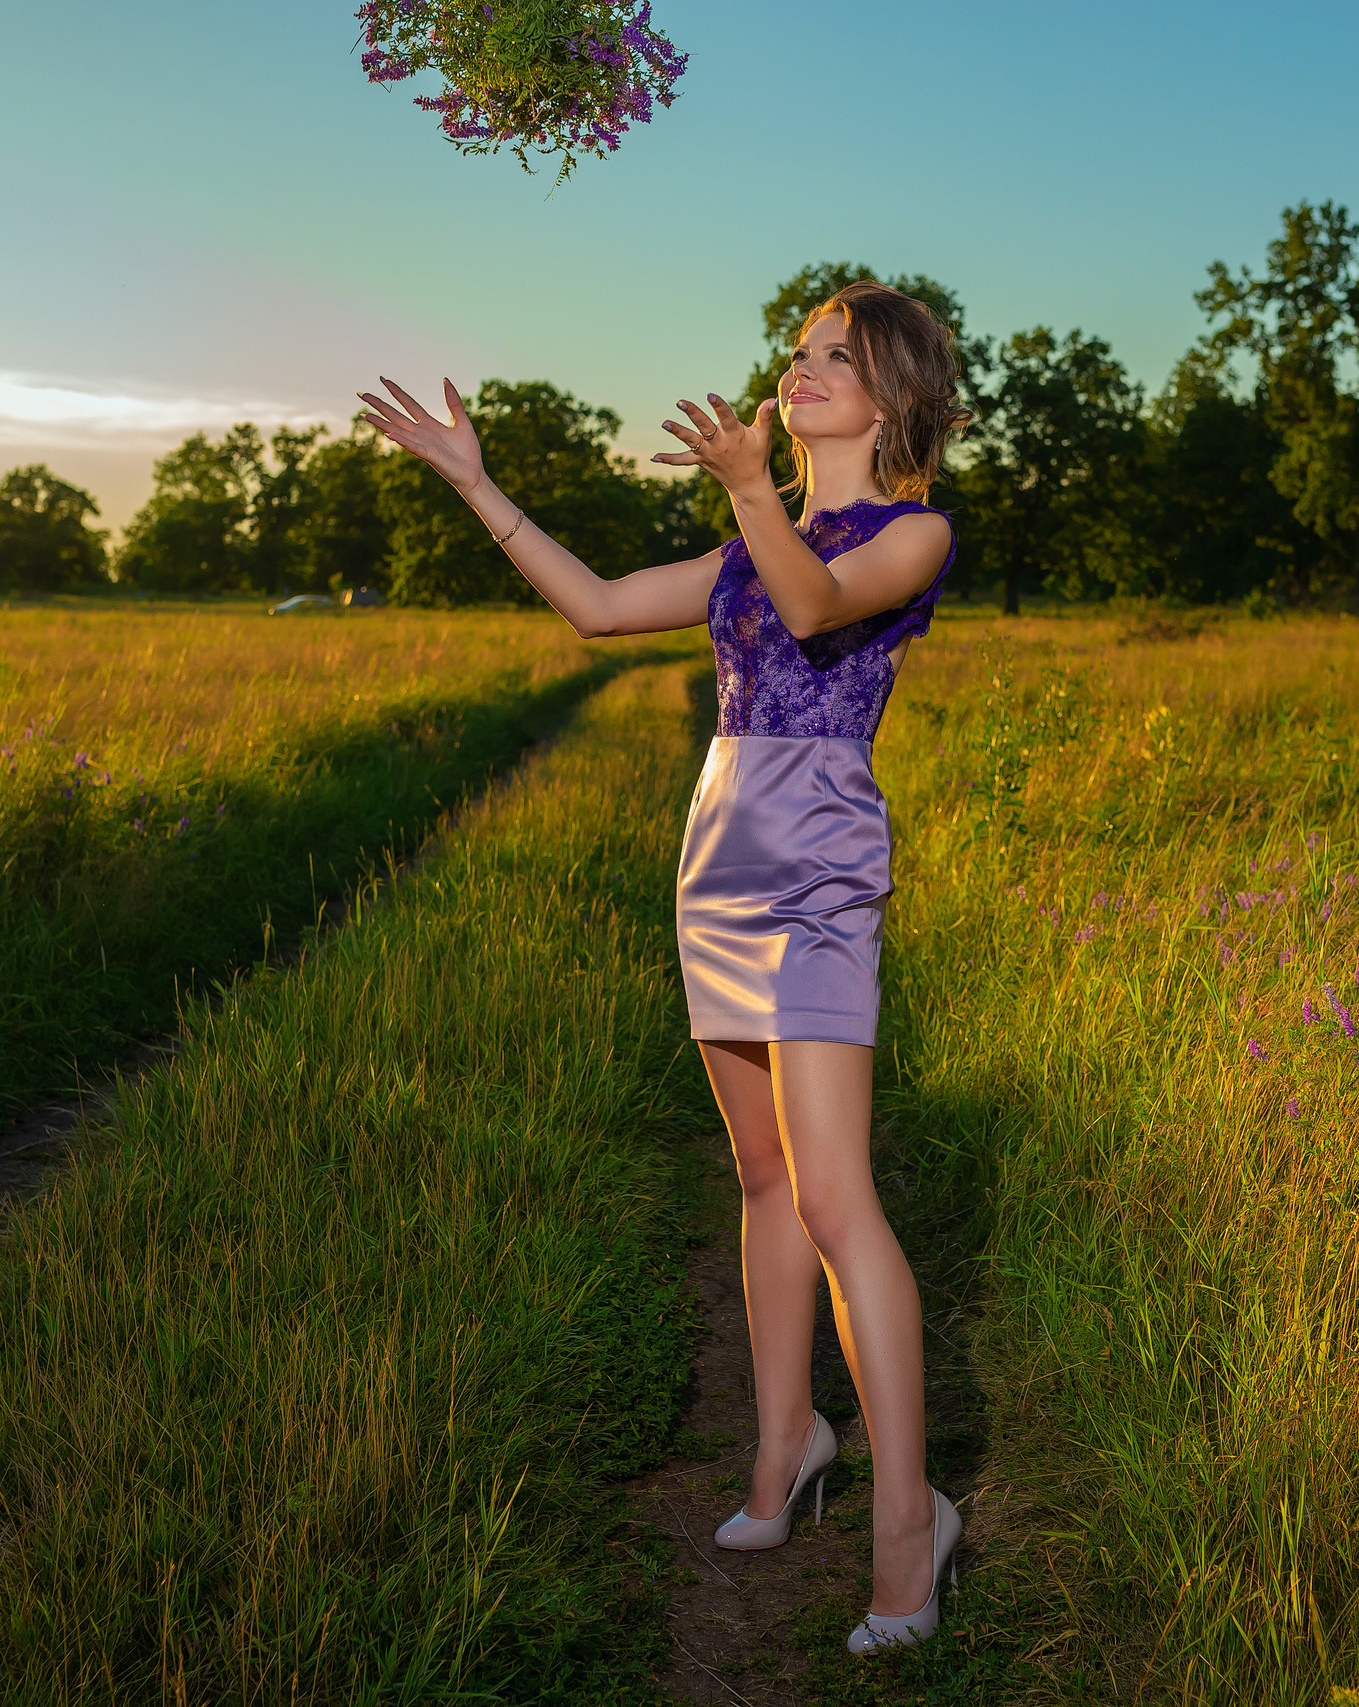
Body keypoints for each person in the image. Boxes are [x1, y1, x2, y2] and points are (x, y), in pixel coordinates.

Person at [356, 280, 969, 1655]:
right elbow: (593, 607)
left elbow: (814, 611)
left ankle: (908, 1526)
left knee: (836, 1201)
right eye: (799, 351)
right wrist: (477, 482)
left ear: (898, 395)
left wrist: (756, 489)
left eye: (837, 357)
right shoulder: (751, 540)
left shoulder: (910, 533)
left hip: (815, 867)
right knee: (758, 1177)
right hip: (717, 858)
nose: (803, 370)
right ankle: (787, 1444)